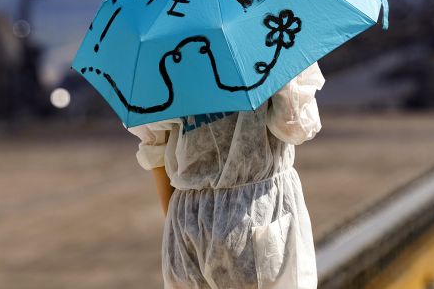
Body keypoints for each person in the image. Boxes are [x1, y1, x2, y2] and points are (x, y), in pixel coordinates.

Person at [127, 61, 325, 289]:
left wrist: (188, 227)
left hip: (186, 223)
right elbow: (294, 125)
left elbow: (155, 149)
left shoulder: (159, 51)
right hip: (257, 214)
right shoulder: (265, 35)